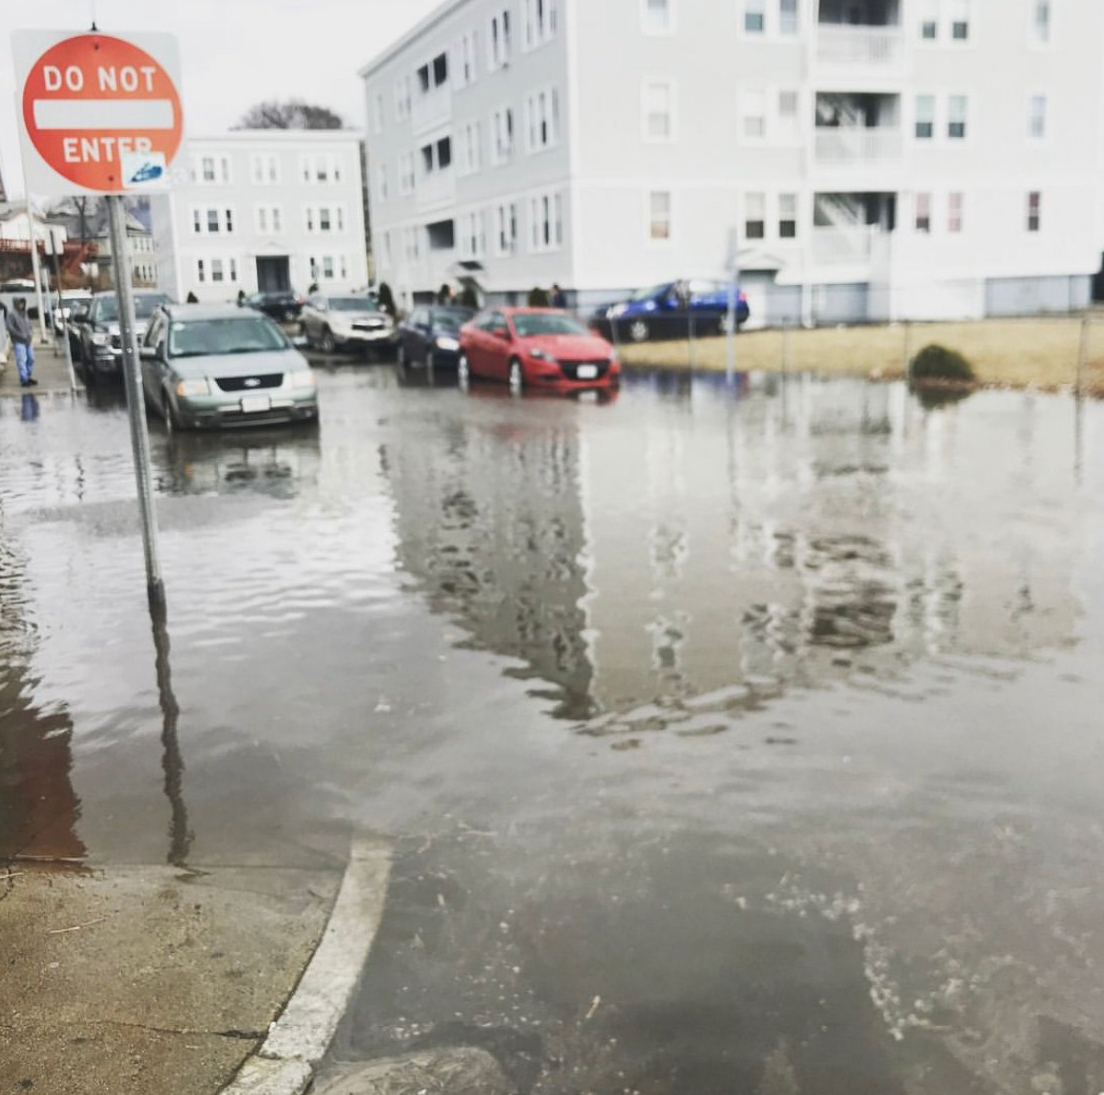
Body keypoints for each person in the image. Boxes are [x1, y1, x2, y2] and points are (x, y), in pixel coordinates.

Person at [7, 297, 36, 387]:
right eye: (20, 303)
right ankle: (24, 380)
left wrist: (31, 333)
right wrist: (20, 335)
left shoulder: (25, 313)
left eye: (22, 303)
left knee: (31, 359)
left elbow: (29, 325)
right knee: (22, 360)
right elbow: (10, 328)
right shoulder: (12, 314)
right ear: (16, 303)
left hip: (28, 340)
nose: (21, 305)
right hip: (19, 341)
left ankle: (28, 376)